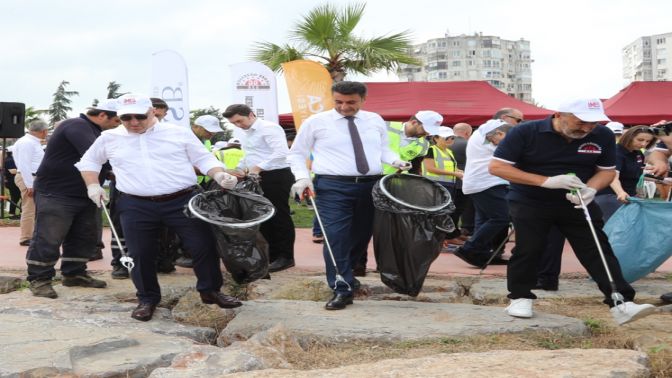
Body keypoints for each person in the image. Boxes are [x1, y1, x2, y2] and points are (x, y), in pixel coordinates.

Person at [76, 93, 242, 322]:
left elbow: (203, 159)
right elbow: (89, 162)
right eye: (127, 118)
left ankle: (210, 290)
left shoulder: (178, 133)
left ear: (153, 112)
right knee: (140, 253)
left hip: (182, 199)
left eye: (140, 117)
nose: (134, 123)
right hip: (135, 203)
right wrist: (92, 186)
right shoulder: (109, 138)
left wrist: (220, 174)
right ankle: (147, 298)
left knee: (202, 245)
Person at [489, 98, 655, 325]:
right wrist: (545, 181)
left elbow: (606, 171)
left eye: (593, 123)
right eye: (581, 122)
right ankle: (520, 296)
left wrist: (591, 189)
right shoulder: (526, 132)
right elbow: (497, 167)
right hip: (530, 199)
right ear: (559, 115)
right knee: (529, 248)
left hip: (577, 200)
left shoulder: (603, 135)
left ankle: (621, 301)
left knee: (597, 247)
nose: (587, 128)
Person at [288, 81, 409, 310]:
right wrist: (302, 177)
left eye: (351, 102)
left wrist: (394, 160)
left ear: (363, 100)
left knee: (361, 237)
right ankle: (341, 287)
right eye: (339, 102)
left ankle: (348, 274)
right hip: (332, 187)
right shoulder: (316, 122)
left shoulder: (375, 120)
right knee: (335, 237)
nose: (344, 107)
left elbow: (382, 148)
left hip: (370, 186)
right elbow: (297, 154)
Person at [26, 99, 120, 298]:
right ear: (103, 115)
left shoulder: (95, 130)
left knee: (84, 235)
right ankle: (39, 279)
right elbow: (93, 152)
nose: (119, 125)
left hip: (84, 192)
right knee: (49, 236)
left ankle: (74, 273)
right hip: (57, 192)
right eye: (117, 120)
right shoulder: (77, 125)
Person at [223, 104, 296, 273]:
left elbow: (281, 153)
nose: (238, 125)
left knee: (279, 215)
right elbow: (250, 154)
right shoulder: (245, 133)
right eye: (234, 123)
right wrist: (239, 169)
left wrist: (258, 167)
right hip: (258, 177)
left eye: (240, 121)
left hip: (276, 175)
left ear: (250, 114)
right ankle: (271, 255)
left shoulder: (269, 128)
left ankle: (285, 257)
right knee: (263, 216)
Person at [455, 120, 514, 267]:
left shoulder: (480, 134)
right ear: (499, 133)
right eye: (504, 138)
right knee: (501, 217)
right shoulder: (486, 139)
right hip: (487, 182)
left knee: (484, 220)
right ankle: (470, 249)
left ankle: (480, 254)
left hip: (481, 183)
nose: (505, 142)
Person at [594, 125, 657, 221]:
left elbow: (635, 173)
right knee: (614, 227)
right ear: (629, 137)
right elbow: (612, 176)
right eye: (640, 140)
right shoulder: (616, 152)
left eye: (648, 141)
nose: (644, 144)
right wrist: (620, 193)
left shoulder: (638, 153)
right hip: (609, 196)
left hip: (628, 196)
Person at [421, 127, 463, 238]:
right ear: (436, 138)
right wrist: (455, 174)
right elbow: (430, 168)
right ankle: (433, 238)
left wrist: (459, 171)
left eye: (452, 138)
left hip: (449, 185)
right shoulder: (431, 150)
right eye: (446, 138)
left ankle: (442, 238)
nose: (450, 140)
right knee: (436, 212)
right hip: (435, 185)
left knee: (445, 212)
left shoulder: (449, 151)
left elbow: (450, 167)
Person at [12, 120, 48, 246]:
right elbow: (24, 164)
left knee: (33, 208)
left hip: (32, 177)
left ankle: (31, 235)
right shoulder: (27, 143)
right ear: (43, 131)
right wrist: (29, 184)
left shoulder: (31, 142)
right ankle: (26, 237)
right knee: (29, 208)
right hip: (28, 177)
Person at [450, 123, 474, 239]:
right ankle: (452, 235)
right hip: (462, 181)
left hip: (446, 180)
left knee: (452, 210)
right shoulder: (468, 144)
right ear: (467, 133)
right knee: (458, 209)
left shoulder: (445, 143)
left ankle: (455, 233)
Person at [3, 147, 21, 219]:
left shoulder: (8, 159)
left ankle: (15, 213)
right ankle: (12, 214)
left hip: (11, 181)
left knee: (16, 197)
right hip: (12, 181)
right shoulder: (10, 160)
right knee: (15, 197)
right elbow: (12, 170)